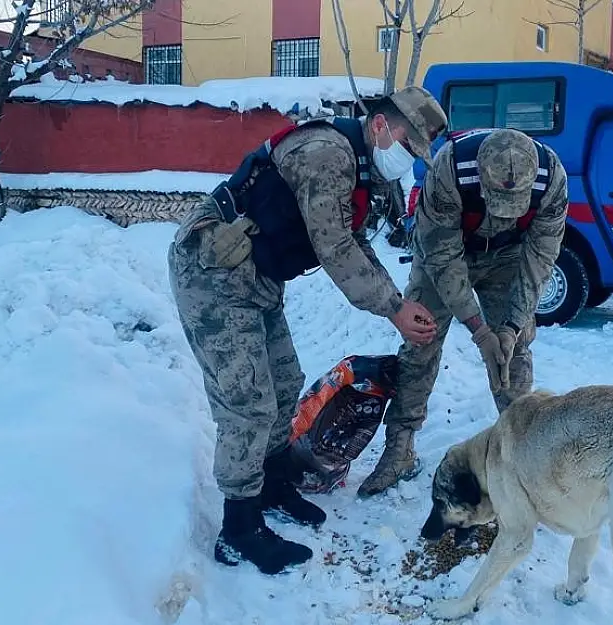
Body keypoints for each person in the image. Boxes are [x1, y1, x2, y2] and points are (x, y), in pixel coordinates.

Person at [167, 86, 449, 575]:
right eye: (408, 147)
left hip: (255, 276)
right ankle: (238, 530)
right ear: (381, 126)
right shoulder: (326, 154)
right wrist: (394, 310)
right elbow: (336, 248)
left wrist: (399, 301)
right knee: (248, 403)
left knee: (284, 381)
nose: (409, 161)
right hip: (211, 273)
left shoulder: (361, 165)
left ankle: (272, 482)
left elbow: (354, 237)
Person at [357, 127, 569, 498]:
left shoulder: (551, 179)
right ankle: (399, 448)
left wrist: (510, 326)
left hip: (507, 257)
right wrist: (479, 330)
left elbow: (540, 259)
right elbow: (442, 258)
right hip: (444, 252)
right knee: (420, 339)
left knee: (514, 348)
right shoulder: (449, 170)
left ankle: (521, 454)